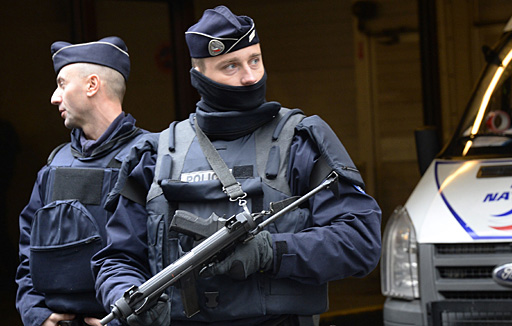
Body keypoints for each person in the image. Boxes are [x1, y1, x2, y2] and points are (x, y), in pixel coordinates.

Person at [92, 5, 382, 326]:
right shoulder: (154, 156)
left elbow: (360, 241)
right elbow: (117, 257)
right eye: (230, 66)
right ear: (199, 76)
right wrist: (126, 293)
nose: (249, 77)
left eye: (254, 60)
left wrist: (271, 252)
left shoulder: (300, 142)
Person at [15, 36, 148, 326]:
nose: (54, 97)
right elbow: (27, 253)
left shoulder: (151, 157)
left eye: (62, 84)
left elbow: (168, 257)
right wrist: (37, 314)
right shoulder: (53, 165)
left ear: (91, 85)